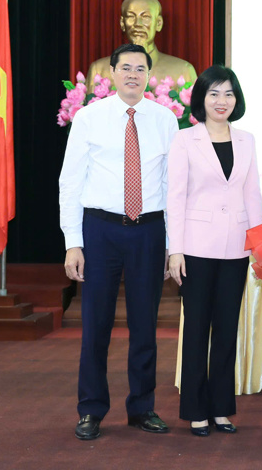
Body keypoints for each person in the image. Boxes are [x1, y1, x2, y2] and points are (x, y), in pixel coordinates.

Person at [60, 43, 179, 440]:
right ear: (111, 73)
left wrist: (171, 243)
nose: (132, 74)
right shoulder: (89, 117)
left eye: (140, 68)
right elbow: (70, 182)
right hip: (100, 230)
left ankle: (142, 407)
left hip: (148, 230)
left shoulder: (165, 120)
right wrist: (72, 242)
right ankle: (91, 409)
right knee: (96, 324)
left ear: (150, 75)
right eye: (125, 68)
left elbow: (172, 186)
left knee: (146, 324)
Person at [167, 65, 262, 437]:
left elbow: (251, 195)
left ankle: (222, 408)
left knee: (226, 330)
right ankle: (195, 409)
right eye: (214, 94)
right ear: (201, 99)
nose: (221, 101)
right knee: (196, 331)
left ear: (236, 100)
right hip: (196, 248)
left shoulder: (247, 140)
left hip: (237, 248)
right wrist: (175, 250)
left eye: (228, 94)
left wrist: (258, 245)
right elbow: (175, 197)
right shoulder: (184, 140)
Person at [87, 0, 198, 85]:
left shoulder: (183, 71)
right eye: (131, 16)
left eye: (145, 17)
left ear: (158, 23)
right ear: (122, 23)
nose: (138, 24)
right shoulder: (100, 70)